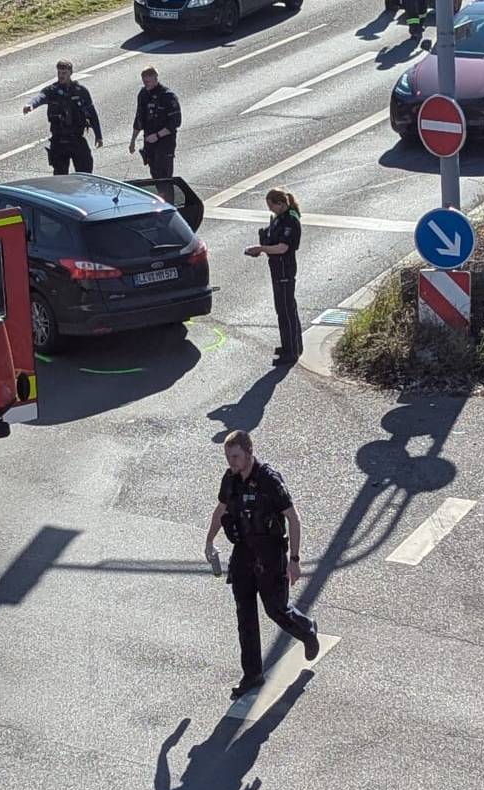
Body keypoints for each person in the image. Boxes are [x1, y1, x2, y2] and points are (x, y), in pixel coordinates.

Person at [205, 431, 320, 700]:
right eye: (227, 457)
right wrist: (209, 541)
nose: (231, 462)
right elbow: (221, 510)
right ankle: (252, 674)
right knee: (245, 617)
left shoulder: (269, 480)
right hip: (243, 554)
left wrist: (294, 560)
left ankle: (306, 630)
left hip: (270, 555)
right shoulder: (230, 480)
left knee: (276, 609)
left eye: (235, 456)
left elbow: (293, 518)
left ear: (248, 452)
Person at [243, 188, 304, 364]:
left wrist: (261, 248)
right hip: (277, 267)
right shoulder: (279, 218)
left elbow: (283, 247)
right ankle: (292, 345)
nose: (270, 210)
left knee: (285, 310)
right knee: (285, 308)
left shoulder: (290, 220)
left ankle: (291, 352)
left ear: (281, 203)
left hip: (285, 267)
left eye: (272, 206)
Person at [24, 60, 103, 175]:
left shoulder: (81, 91)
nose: (61, 76)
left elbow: (92, 114)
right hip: (59, 140)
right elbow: (40, 97)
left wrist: (98, 135)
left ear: (70, 73)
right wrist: (31, 105)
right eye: (59, 73)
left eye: (64, 73)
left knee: (85, 173)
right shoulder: (52, 91)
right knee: (59, 178)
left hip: (76, 139)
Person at [129, 67, 182, 180]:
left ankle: (167, 197)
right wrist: (133, 140)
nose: (146, 84)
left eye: (148, 81)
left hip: (165, 141)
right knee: (154, 174)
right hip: (149, 140)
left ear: (155, 78)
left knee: (164, 176)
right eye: (144, 81)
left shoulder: (168, 96)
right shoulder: (143, 94)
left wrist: (157, 135)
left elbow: (175, 122)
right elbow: (139, 118)